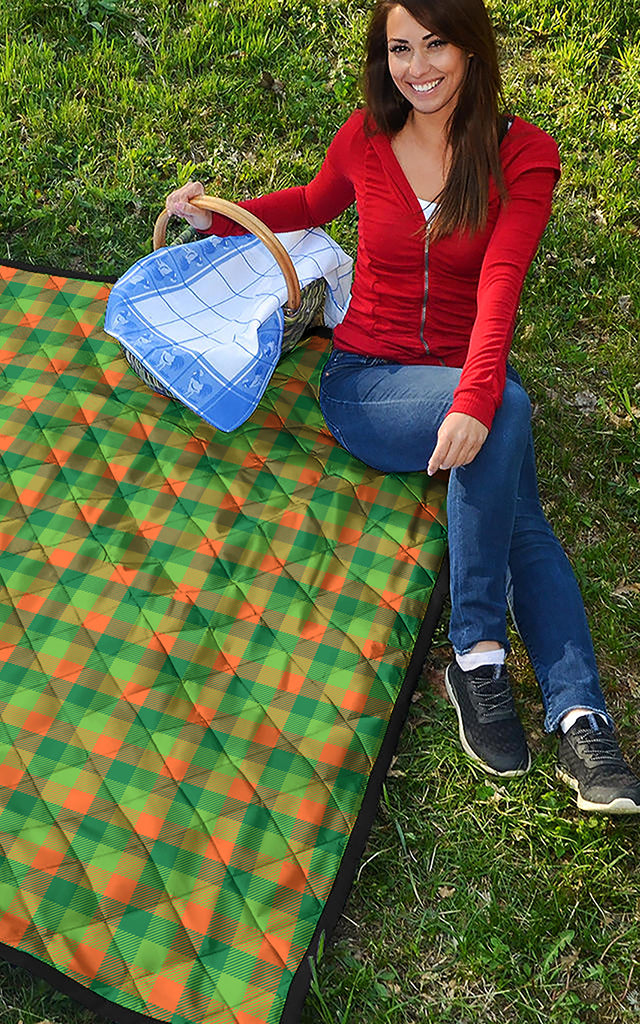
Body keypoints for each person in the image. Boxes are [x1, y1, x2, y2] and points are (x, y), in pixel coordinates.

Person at [164, 0, 640, 814]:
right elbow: (312, 205)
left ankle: (573, 713)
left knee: (514, 477)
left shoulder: (523, 156)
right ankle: (486, 656)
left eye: (436, 44)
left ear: (471, 49)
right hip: (367, 383)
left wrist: (477, 396)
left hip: (460, 375)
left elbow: (501, 284)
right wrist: (219, 221)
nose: (417, 67)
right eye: (399, 49)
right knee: (509, 420)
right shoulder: (366, 137)